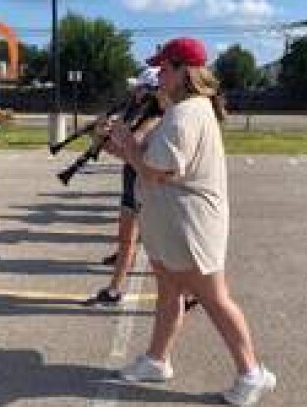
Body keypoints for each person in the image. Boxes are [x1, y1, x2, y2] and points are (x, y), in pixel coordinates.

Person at [107, 37, 276, 406]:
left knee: (215, 298)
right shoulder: (184, 110)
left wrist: (129, 147)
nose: (159, 75)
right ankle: (156, 359)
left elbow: (156, 170)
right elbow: (152, 162)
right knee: (168, 292)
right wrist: (120, 146)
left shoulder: (187, 113)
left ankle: (251, 373)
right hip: (173, 225)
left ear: (185, 72)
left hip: (191, 227)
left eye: (165, 68)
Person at [85, 67, 162, 306]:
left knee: (161, 249)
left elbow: (133, 153)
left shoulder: (157, 118)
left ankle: (190, 293)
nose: (134, 92)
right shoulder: (136, 114)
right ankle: (114, 289)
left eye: (139, 88)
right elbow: (124, 150)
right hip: (131, 182)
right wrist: (101, 135)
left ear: (150, 91)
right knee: (126, 241)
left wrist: (107, 140)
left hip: (148, 187)